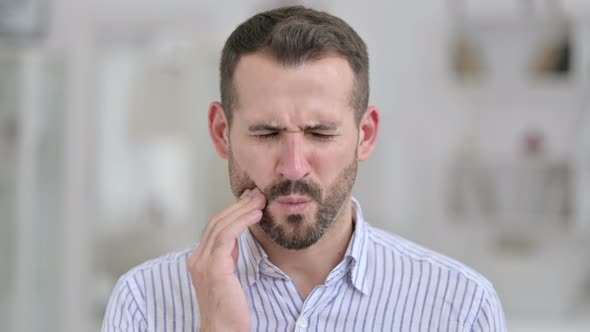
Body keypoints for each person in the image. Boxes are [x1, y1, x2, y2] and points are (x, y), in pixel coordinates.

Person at [102, 6, 506, 332]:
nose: (293, 166)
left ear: (364, 135)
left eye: (319, 133)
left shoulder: (462, 309)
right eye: (265, 132)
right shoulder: (144, 302)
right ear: (222, 132)